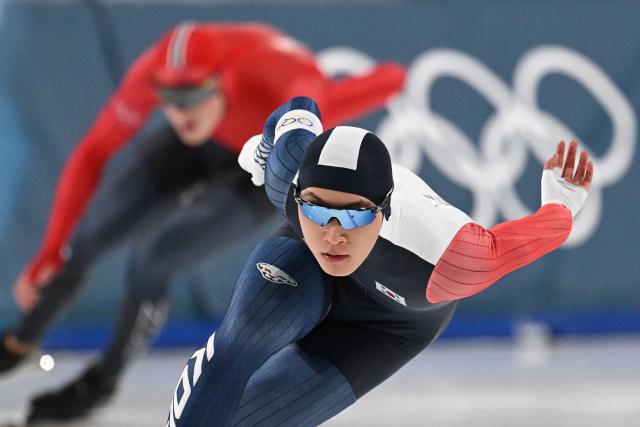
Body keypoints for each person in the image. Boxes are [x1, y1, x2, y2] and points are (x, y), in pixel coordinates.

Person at [0, 22, 406, 423]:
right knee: (88, 237)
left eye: (193, 95)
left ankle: (102, 382)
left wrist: (392, 78)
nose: (180, 111)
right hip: (203, 146)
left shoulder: (280, 76)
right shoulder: (154, 72)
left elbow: (369, 87)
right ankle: (19, 344)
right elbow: (92, 154)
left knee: (152, 258)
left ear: (223, 82)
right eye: (170, 97)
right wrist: (51, 249)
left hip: (258, 170)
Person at [165, 96, 593, 426]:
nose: (333, 233)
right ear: (299, 197)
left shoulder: (453, 259)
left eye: (353, 214)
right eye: (316, 210)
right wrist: (264, 152)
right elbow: (298, 109)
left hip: (387, 326)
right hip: (306, 265)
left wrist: (559, 206)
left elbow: (534, 236)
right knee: (249, 333)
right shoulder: (287, 178)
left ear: (383, 209)